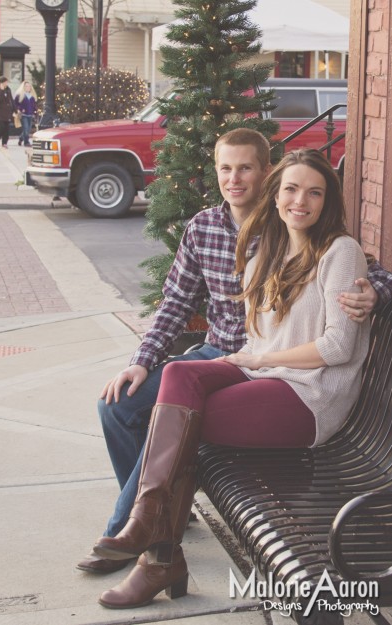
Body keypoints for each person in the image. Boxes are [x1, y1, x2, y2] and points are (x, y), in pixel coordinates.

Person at [77, 129, 392, 576]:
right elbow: (175, 304)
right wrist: (141, 362)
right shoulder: (205, 227)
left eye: (245, 168)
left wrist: (372, 296)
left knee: (181, 417)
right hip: (221, 355)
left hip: (267, 366)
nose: (234, 178)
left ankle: (134, 531)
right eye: (225, 168)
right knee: (120, 405)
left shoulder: (289, 225)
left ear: (267, 174)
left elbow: (362, 270)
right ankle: (162, 511)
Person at [0, 77, 16, 149]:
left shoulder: (8, 89)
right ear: (1, 83)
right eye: (5, 82)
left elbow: (11, 100)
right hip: (0, 112)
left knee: (6, 128)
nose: (6, 84)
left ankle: (4, 143)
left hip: (7, 112)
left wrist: (15, 110)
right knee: (2, 127)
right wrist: (1, 90)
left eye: (7, 82)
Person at [14, 81, 37, 147]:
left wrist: (35, 112)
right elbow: (15, 104)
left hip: (30, 114)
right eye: (26, 86)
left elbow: (34, 106)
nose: (28, 88)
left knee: (28, 129)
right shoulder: (20, 95)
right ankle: (26, 142)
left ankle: (21, 138)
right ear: (23, 87)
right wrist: (20, 109)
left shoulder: (32, 96)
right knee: (25, 128)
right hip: (23, 115)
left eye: (29, 86)